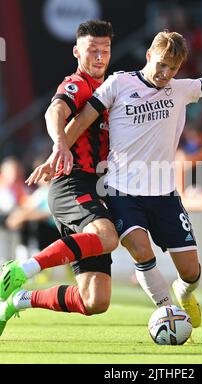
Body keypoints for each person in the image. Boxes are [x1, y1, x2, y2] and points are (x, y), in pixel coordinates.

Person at [25, 31, 202, 331]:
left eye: (172, 68)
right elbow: (82, 119)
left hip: (164, 194)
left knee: (191, 272)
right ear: (149, 56)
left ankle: (184, 293)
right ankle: (166, 311)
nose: (165, 73)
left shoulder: (180, 89)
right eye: (161, 64)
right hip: (121, 191)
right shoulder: (119, 84)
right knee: (141, 250)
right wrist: (55, 153)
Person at [0, 20, 119, 336]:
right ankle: (22, 269)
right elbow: (55, 111)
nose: (98, 56)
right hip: (72, 184)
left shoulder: (113, 88)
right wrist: (60, 143)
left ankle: (17, 301)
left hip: (97, 190)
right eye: (92, 50)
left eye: (104, 50)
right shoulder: (77, 84)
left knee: (95, 300)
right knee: (109, 237)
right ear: (77, 51)